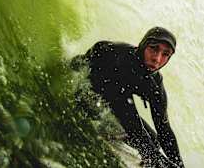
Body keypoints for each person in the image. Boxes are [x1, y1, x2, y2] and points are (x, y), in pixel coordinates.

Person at [78, 27, 185, 168]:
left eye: (165, 54)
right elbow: (128, 117)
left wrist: (179, 165)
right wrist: (155, 157)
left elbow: (164, 129)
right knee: (145, 144)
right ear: (143, 45)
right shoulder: (122, 61)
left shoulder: (154, 83)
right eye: (154, 48)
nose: (157, 59)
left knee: (154, 140)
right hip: (85, 86)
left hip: (110, 103)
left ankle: (111, 140)